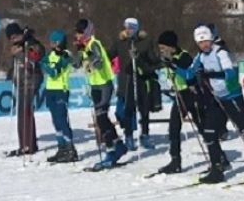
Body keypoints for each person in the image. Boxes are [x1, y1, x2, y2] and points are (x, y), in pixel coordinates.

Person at [182, 25, 244, 184]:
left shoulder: (220, 52)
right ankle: (217, 169)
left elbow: (229, 73)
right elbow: (190, 72)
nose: (204, 45)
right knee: (209, 132)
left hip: (233, 96)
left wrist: (210, 74)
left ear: (211, 39)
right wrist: (183, 74)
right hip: (218, 98)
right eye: (201, 43)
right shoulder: (200, 56)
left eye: (206, 41)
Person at [75, 19, 129, 169]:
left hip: (104, 84)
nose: (78, 35)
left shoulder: (94, 44)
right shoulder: (85, 46)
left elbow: (98, 62)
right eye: (77, 33)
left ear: (87, 32)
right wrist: (80, 53)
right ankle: (118, 145)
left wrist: (88, 55)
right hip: (95, 86)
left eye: (80, 32)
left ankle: (112, 151)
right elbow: (75, 64)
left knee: (101, 118)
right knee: (102, 119)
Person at [155, 30, 202, 174]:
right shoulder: (168, 58)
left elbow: (188, 72)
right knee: (180, 126)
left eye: (163, 48)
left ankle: (218, 158)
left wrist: (172, 63)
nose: (161, 51)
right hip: (180, 93)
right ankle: (175, 160)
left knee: (185, 125)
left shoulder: (184, 56)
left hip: (189, 93)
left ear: (171, 46)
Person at [109, 17, 159, 150]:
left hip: (141, 79)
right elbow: (109, 55)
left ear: (136, 28)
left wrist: (145, 60)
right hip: (126, 80)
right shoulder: (121, 42)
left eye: (131, 27)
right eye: (126, 27)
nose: (128, 30)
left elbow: (153, 59)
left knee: (144, 109)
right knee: (128, 110)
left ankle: (145, 135)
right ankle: (129, 136)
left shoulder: (145, 41)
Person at [4, 22, 44, 157]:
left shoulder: (30, 42)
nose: (13, 40)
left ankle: (28, 145)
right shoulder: (17, 46)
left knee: (24, 110)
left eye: (15, 36)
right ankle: (26, 143)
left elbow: (37, 55)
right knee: (22, 111)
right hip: (21, 81)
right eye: (10, 38)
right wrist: (10, 74)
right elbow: (15, 65)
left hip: (31, 80)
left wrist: (22, 52)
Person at [42, 30, 78, 163]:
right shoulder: (51, 54)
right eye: (51, 42)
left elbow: (54, 72)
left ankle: (70, 149)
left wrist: (48, 66)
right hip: (50, 89)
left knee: (62, 120)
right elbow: (43, 62)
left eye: (56, 42)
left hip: (61, 90)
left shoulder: (66, 54)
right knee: (56, 121)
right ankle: (61, 147)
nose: (53, 45)